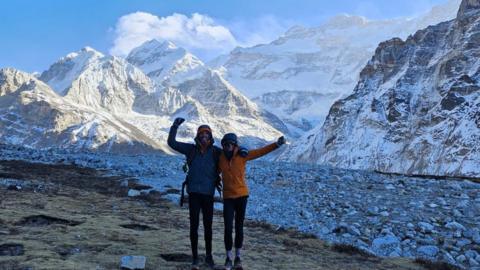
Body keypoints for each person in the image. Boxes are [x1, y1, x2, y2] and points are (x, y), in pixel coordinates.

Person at [218, 133, 286, 269]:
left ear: (235, 145)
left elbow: (260, 152)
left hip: (242, 196)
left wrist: (277, 144)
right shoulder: (220, 158)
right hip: (228, 197)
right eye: (225, 144)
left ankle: (238, 257)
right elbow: (212, 170)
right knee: (227, 228)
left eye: (230, 144)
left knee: (238, 227)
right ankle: (228, 257)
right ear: (223, 146)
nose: (228, 147)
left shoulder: (243, 155)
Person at [167, 117, 221, 270]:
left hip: (208, 194)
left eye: (207, 135)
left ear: (210, 137)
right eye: (202, 135)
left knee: (208, 226)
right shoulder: (190, 150)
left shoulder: (217, 152)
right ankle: (195, 258)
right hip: (194, 194)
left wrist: (241, 151)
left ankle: (209, 256)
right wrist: (174, 126)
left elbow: (233, 155)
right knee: (194, 226)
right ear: (198, 136)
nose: (204, 137)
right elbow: (172, 143)